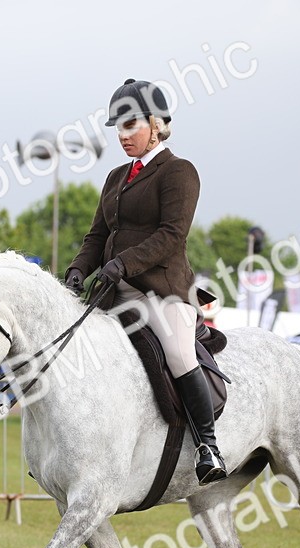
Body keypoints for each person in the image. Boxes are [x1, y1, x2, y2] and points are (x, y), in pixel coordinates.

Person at [64, 78, 225, 485]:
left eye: (130, 126)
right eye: (118, 128)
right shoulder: (117, 177)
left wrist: (124, 263)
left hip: (162, 290)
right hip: (113, 292)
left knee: (177, 350)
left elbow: (172, 234)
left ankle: (208, 445)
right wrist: (79, 269)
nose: (122, 136)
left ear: (156, 125)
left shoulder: (178, 171)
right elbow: (96, 236)